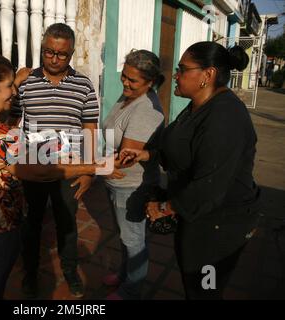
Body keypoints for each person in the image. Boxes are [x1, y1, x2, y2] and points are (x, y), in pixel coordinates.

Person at [0, 54, 126, 300]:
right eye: (7, 87)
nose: (13, 93)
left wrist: (98, 161)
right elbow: (42, 170)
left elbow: (26, 145)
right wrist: (97, 166)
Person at [120, 41, 261, 300]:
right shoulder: (198, 105)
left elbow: (210, 187)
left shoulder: (225, 117)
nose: (175, 75)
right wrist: (148, 154)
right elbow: (182, 148)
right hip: (197, 217)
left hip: (219, 226)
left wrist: (164, 208)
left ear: (207, 75)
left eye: (182, 69)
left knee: (205, 289)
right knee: (192, 281)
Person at [10, 23, 99, 298]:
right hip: (33, 165)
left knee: (67, 222)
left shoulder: (84, 85)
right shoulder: (26, 82)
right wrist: (13, 161)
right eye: (48, 52)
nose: (54, 58)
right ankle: (31, 275)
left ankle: (70, 270)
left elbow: (90, 129)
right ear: (42, 49)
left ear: (71, 53)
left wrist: (88, 172)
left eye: (61, 54)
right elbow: (12, 122)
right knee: (31, 223)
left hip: (68, 168)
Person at [101, 50, 165, 300]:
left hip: (131, 185)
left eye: (133, 80)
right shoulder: (129, 96)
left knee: (133, 240)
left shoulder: (146, 110)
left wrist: (89, 167)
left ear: (150, 82)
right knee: (124, 234)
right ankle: (125, 274)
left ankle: (131, 290)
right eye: (124, 76)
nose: (125, 83)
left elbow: (127, 158)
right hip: (115, 180)